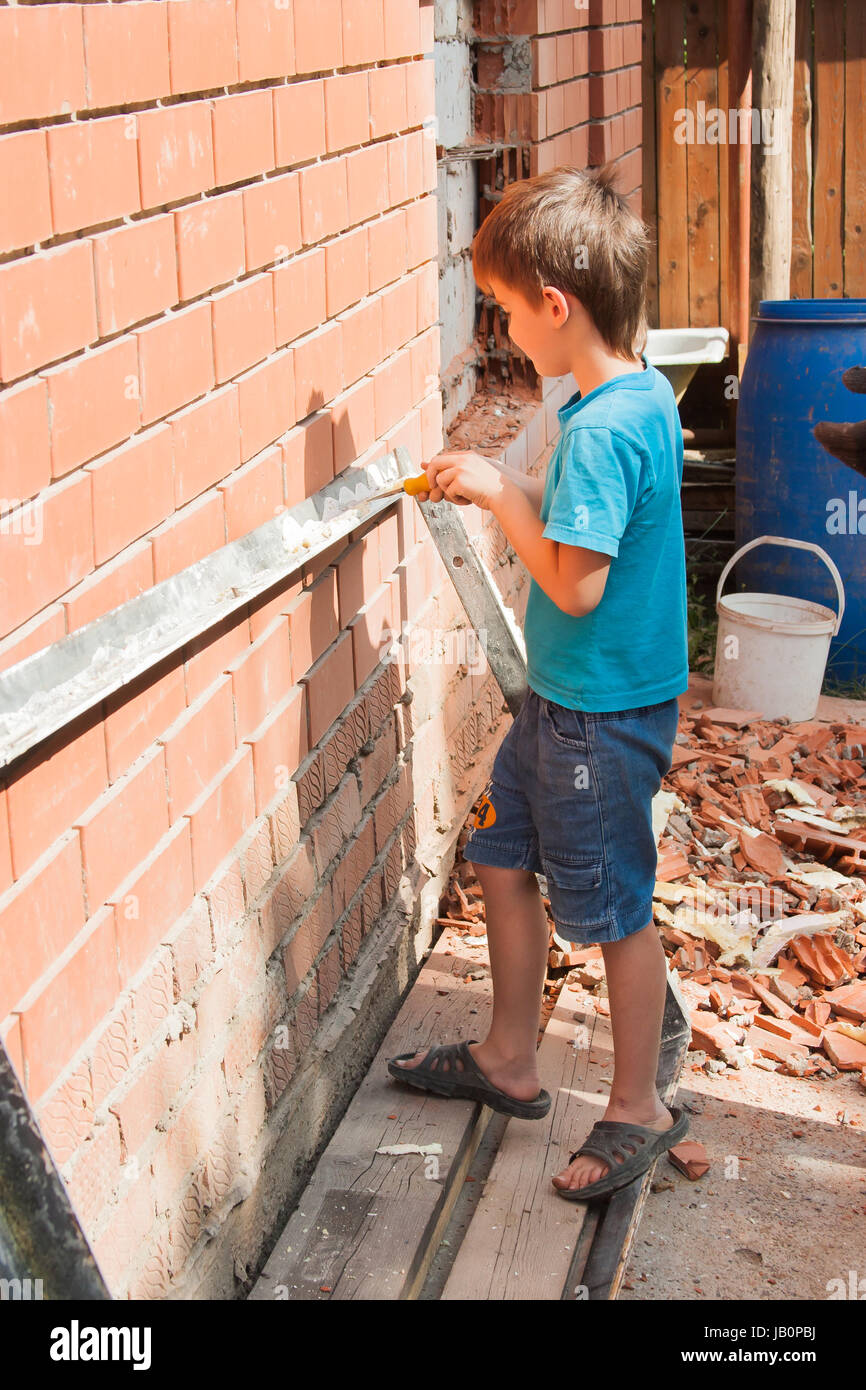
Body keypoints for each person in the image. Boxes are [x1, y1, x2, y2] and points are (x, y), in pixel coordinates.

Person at [388, 162, 690, 1200]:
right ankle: (509, 1060)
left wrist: (500, 501)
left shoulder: (603, 428)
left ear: (555, 309)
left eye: (509, 313)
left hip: (595, 721)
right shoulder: (635, 387)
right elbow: (569, 523)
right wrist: (504, 483)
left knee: (610, 909)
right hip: (563, 709)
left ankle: (637, 1104)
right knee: (501, 853)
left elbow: (573, 583)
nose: (506, 331)